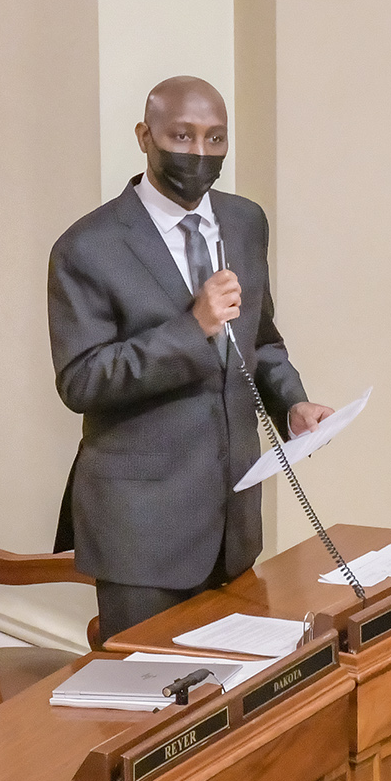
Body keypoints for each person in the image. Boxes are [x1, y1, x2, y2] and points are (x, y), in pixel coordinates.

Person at [47, 74, 333, 640]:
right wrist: (192, 327)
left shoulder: (245, 221)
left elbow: (260, 337)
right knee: (155, 707)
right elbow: (81, 380)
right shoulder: (87, 247)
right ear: (144, 136)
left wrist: (293, 404)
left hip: (233, 519)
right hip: (142, 528)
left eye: (215, 139)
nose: (200, 154)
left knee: (232, 700)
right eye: (181, 136)